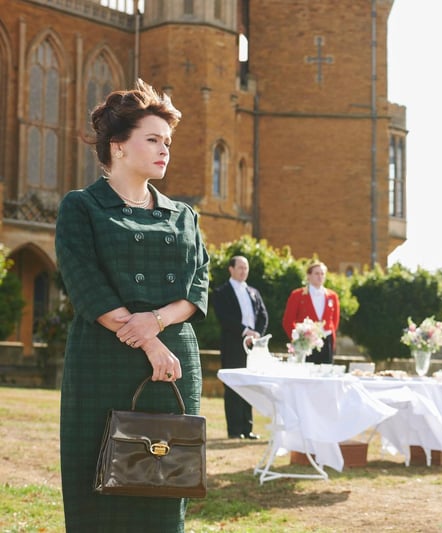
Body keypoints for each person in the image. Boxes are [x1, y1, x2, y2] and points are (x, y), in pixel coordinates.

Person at [55, 79, 209, 531]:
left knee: (164, 482)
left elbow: (197, 286)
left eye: (168, 142)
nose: (165, 150)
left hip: (173, 368)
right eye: (153, 139)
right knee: (98, 488)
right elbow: (86, 286)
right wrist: (150, 344)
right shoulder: (82, 207)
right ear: (118, 146)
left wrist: (158, 323)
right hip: (104, 362)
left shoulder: (184, 215)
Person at [211, 256, 268, 439]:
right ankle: (234, 431)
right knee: (234, 387)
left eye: (246, 268)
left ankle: (247, 429)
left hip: (253, 346)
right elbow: (225, 318)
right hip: (234, 344)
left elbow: (263, 316)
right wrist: (245, 331)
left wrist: (257, 333)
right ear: (231, 269)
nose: (244, 271)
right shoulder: (221, 292)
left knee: (249, 385)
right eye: (240, 267)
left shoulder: (253, 291)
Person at [282, 261, 340, 364]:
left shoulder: (332, 296)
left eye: (322, 274)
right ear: (309, 276)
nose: (320, 276)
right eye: (316, 273)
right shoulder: (297, 295)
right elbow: (288, 321)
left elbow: (334, 321)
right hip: (306, 342)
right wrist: (298, 339)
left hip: (326, 342)